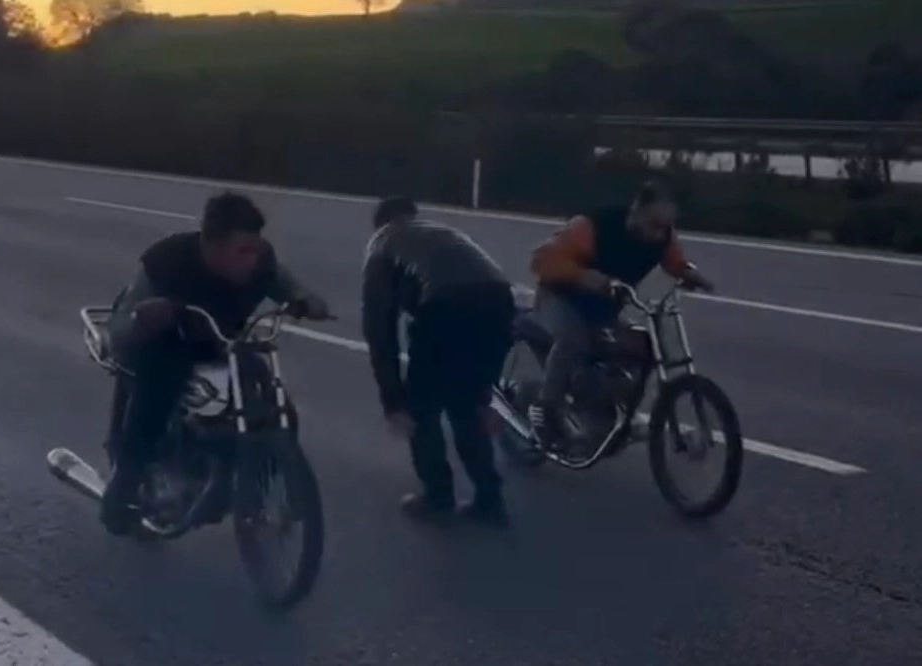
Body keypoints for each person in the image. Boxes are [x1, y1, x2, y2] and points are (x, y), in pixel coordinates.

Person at [100, 191, 332, 535]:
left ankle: (260, 481)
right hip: (162, 346)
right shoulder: (167, 262)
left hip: (220, 342)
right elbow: (119, 330)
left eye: (254, 250)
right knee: (158, 392)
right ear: (211, 246)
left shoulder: (261, 262)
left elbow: (284, 282)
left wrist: (306, 300)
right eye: (242, 251)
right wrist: (146, 319)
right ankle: (125, 483)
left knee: (270, 396)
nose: (251, 260)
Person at [361, 196, 516, 528]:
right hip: (500, 301)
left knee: (423, 409)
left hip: (447, 306)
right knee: (468, 405)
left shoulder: (381, 245)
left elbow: (379, 329)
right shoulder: (442, 232)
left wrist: (393, 400)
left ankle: (438, 496)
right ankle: (489, 498)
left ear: (379, 224)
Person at [527, 180, 714, 450]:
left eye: (665, 226)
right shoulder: (592, 227)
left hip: (603, 308)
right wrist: (585, 276)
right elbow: (541, 260)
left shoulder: (663, 236)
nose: (658, 234)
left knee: (642, 346)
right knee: (572, 340)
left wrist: (689, 274)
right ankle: (546, 410)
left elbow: (674, 261)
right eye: (653, 224)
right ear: (636, 209)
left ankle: (616, 410)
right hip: (559, 298)